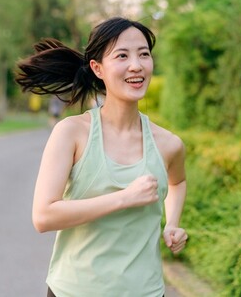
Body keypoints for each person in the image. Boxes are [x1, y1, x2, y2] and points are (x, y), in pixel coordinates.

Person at [15, 17, 188, 297]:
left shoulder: (168, 144)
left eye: (144, 54)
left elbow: (177, 182)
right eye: (122, 55)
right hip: (74, 291)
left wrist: (173, 223)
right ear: (98, 68)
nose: (136, 65)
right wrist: (124, 198)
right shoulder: (71, 133)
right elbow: (44, 216)